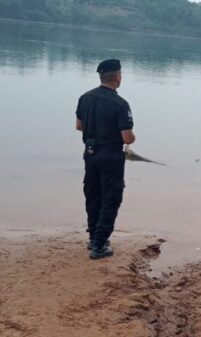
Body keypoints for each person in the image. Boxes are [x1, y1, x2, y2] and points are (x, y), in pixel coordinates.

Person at [75, 59, 136, 259]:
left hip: (91, 153)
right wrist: (132, 138)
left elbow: (79, 126)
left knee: (93, 195)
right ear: (117, 77)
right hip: (111, 156)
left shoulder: (85, 98)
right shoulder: (120, 104)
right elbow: (127, 137)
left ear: (101, 76)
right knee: (111, 198)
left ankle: (93, 237)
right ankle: (99, 245)